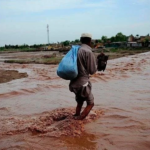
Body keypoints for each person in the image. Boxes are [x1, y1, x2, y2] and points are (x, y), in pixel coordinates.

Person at [69, 33, 97, 120]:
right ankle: (79, 120)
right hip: (83, 83)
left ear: (81, 40)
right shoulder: (88, 52)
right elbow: (92, 71)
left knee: (80, 102)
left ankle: (76, 116)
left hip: (73, 82)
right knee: (90, 103)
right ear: (90, 41)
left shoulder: (76, 50)